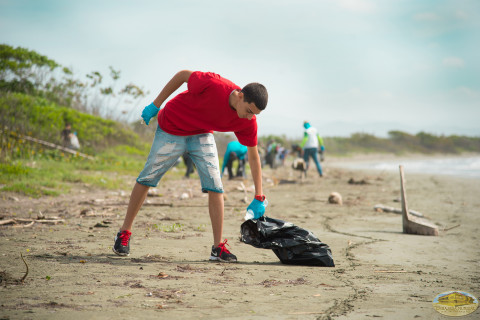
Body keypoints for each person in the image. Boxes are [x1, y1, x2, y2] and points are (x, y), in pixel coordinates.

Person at [112, 70, 269, 263]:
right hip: (172, 126)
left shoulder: (248, 122)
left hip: (201, 133)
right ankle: (124, 233)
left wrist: (259, 196)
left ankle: (217, 247)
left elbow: (254, 157)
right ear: (240, 96)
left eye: (255, 115)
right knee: (147, 178)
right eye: (249, 111)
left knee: (216, 185)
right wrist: (155, 105)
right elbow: (183, 75)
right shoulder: (214, 84)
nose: (249, 117)